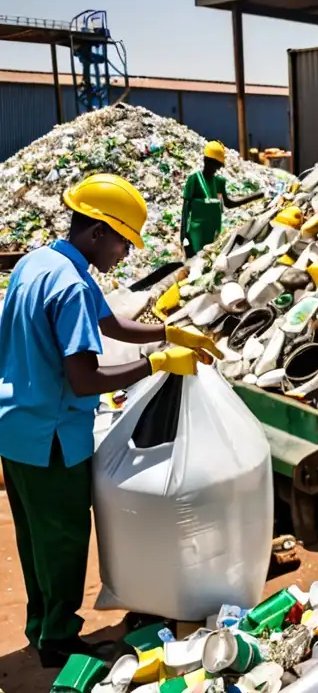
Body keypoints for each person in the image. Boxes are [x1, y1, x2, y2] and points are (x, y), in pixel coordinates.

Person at [0, 174, 222, 668]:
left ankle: (41, 625)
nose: (125, 253)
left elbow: (109, 323)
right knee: (62, 542)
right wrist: (155, 364)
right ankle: (57, 638)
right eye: (123, 240)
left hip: (15, 427)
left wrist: (168, 332)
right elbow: (83, 379)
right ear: (97, 231)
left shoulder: (41, 263)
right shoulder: (71, 285)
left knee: (34, 536)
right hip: (52, 438)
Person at [181, 140, 263, 258]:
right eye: (213, 164)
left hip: (215, 235)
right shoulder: (194, 180)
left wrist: (253, 197)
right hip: (197, 238)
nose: (215, 169)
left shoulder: (219, 182)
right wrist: (185, 241)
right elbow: (185, 213)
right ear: (205, 160)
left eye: (217, 166)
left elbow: (229, 203)